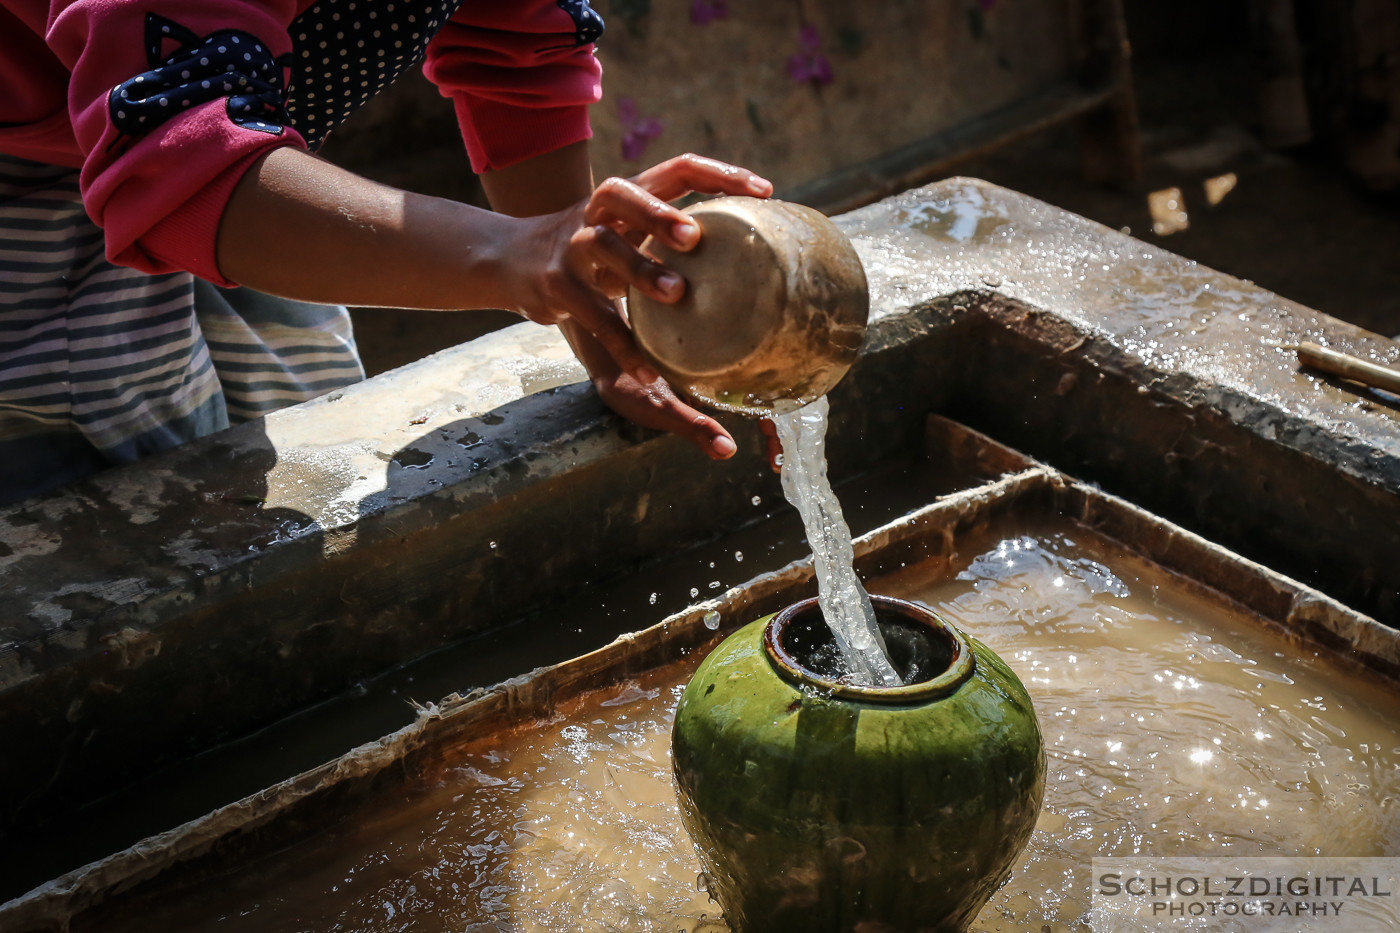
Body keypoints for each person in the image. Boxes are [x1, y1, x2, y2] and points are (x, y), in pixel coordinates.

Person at [0, 0, 775, 506]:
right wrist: (513, 253)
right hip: (35, 175)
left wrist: (602, 330)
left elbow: (517, 56)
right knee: (127, 501)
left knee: (308, 441)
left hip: (239, 138)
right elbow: (180, 165)